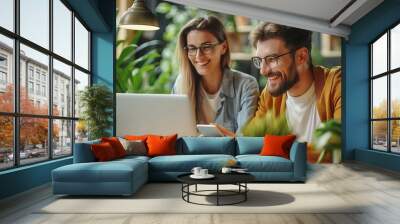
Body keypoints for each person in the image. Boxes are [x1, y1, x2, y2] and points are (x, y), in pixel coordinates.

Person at [247, 22, 341, 142]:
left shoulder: (336, 84)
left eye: (272, 59)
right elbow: (253, 142)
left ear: (301, 57)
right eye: (260, 60)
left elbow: (340, 147)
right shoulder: (269, 97)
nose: (263, 71)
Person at [172, 16, 259, 136]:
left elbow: (245, 142)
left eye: (206, 47)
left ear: (223, 47)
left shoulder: (246, 85)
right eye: (192, 48)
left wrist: (220, 134)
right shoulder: (181, 83)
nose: (198, 56)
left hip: (229, 155)